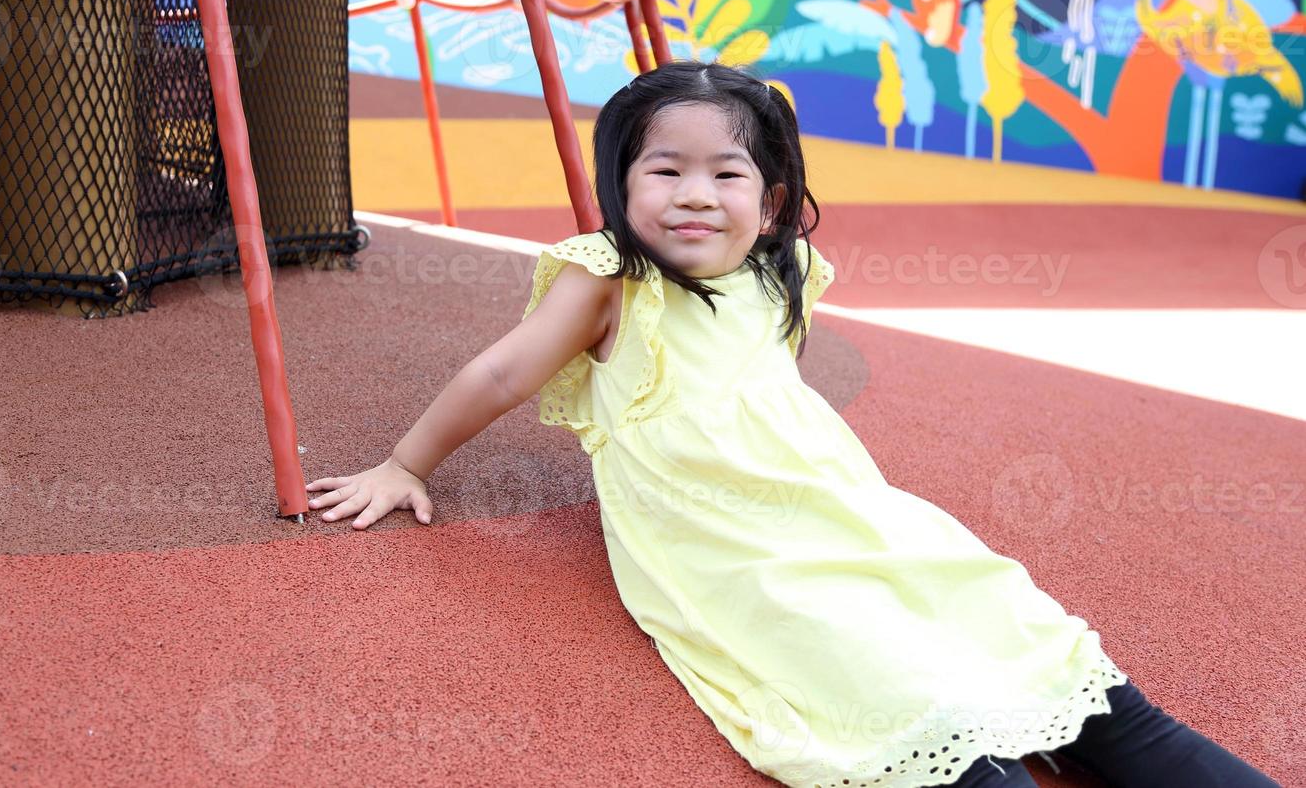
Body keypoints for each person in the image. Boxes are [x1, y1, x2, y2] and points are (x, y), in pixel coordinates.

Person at [304, 61, 1280, 788]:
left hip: (843, 508)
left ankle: (1092, 725)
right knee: (878, 682)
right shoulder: (610, 280)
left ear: (770, 204)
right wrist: (404, 460)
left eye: (725, 174)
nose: (693, 193)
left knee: (1014, 626)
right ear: (622, 183)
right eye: (663, 170)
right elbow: (504, 367)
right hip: (732, 550)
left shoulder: (778, 272)